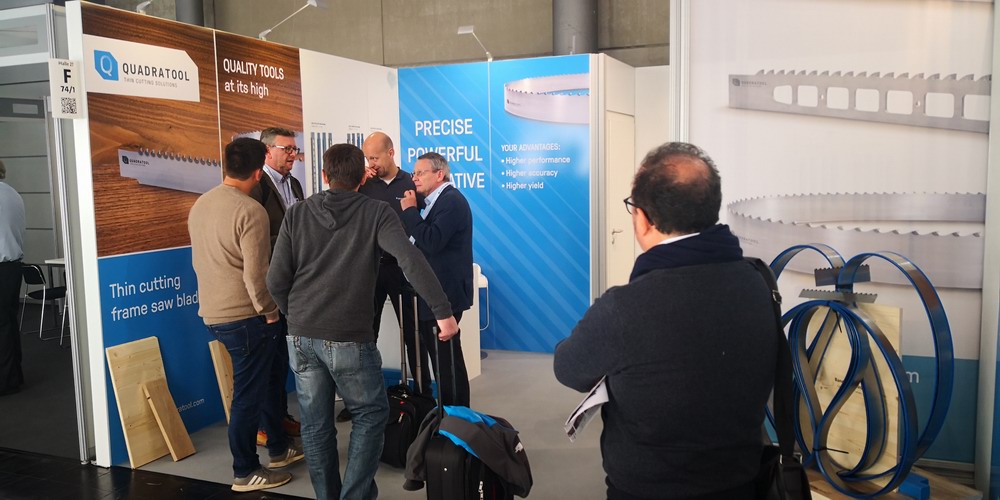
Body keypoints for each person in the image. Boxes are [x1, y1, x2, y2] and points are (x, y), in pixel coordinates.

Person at [553, 142, 779, 500]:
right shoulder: (758, 284)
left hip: (648, 489)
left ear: (643, 218)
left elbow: (568, 368)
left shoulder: (624, 308)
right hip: (740, 482)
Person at [267, 143, 459, 500]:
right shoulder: (376, 212)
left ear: (324, 176)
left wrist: (295, 315)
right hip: (349, 338)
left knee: (315, 424)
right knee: (371, 415)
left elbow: (276, 280)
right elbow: (410, 260)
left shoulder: (297, 213)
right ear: (362, 178)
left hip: (301, 336)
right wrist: (443, 312)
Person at [188, 138, 303, 493]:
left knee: (266, 383)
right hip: (246, 316)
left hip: (215, 313)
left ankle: (279, 449)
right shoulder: (251, 211)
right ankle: (245, 469)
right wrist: (270, 312)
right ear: (257, 172)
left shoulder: (201, 204)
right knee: (248, 396)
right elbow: (257, 275)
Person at [333, 132, 428, 423]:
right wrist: (361, 179)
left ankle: (423, 395)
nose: (371, 162)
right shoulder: (362, 185)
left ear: (391, 153)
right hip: (370, 268)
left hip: (402, 268)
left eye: (375, 157)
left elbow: (423, 222)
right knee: (365, 333)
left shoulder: (411, 183)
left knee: (413, 332)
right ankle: (358, 400)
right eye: (367, 158)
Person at [399, 152, 474, 407]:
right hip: (435, 293)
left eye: (421, 173)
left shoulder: (451, 201)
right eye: (414, 173)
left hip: (445, 295)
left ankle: (456, 416)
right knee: (443, 361)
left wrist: (410, 212)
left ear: (439, 174)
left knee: (447, 363)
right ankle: (449, 413)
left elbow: (432, 241)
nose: (414, 178)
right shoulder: (436, 201)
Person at [250, 127, 303, 443]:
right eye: (287, 149)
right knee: (267, 360)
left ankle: (278, 417)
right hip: (268, 283)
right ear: (268, 151)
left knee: (281, 358)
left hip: (292, 281)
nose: (293, 155)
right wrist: (289, 243)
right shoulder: (257, 187)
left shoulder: (294, 184)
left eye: (295, 149)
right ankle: (263, 424)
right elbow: (254, 239)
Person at [0, 161, 25, 396]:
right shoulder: (13, 194)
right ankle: (14, 374)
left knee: (3, 324)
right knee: (8, 321)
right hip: (13, 266)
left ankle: (7, 381)